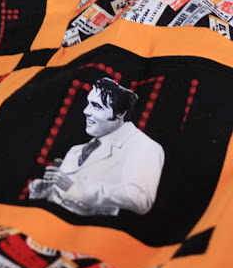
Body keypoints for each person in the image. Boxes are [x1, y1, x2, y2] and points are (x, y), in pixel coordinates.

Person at [29, 77, 165, 216]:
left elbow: (141, 200)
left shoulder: (144, 147)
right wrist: (44, 190)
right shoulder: (76, 151)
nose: (86, 111)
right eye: (88, 103)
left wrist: (75, 188)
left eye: (97, 106)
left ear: (120, 113)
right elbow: (62, 197)